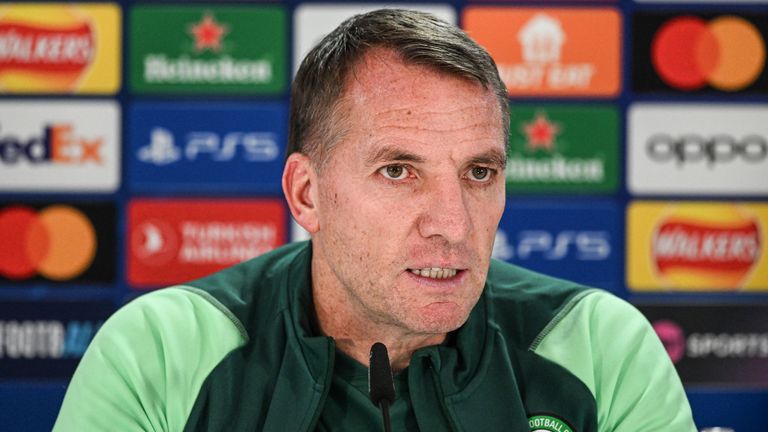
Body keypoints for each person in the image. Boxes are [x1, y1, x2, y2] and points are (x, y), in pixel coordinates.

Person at [54, 9, 697, 432]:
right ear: (306, 195)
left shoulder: (599, 346)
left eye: (479, 172)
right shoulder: (161, 353)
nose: (453, 223)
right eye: (398, 171)